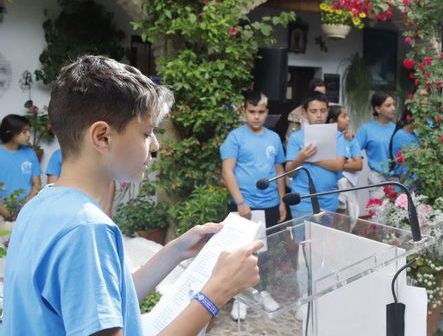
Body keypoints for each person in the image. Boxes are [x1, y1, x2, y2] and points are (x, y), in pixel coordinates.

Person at [1, 55, 262, 335]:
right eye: (147, 133)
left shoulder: (41, 205)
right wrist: (216, 293)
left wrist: (176, 250)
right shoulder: (86, 229)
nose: (155, 146)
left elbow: (107, 303)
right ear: (102, 137)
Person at [219, 91, 286, 321]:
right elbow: (227, 170)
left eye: (261, 112)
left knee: (264, 253)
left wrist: (282, 200)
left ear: (267, 112)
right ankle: (240, 296)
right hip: (244, 205)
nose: (256, 116)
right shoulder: (235, 137)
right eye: (252, 111)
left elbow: (279, 170)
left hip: (269, 204)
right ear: (244, 111)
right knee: (242, 250)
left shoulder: (274, 138)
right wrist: (240, 202)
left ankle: (262, 291)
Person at [285, 93, 348, 215]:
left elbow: (339, 165)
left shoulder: (337, 136)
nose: (319, 115)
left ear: (328, 111)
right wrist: (301, 157)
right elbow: (290, 172)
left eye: (323, 111)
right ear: (304, 112)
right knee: (302, 234)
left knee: (326, 234)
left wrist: (311, 158)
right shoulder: (296, 138)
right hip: (303, 200)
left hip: (329, 198)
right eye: (313, 111)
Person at [43, 147, 116, 215]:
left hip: (93, 209)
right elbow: (52, 188)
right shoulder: (58, 155)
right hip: (66, 210)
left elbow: (110, 181)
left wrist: (107, 211)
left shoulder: (97, 154)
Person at [0, 114, 41, 218]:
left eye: (29, 131)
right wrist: (5, 213)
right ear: (10, 132)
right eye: (24, 131)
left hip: (27, 209)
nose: (28, 135)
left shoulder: (30, 153)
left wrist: (27, 208)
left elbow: (37, 184)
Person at [355, 92, 398, 179]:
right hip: (377, 178)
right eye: (388, 105)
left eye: (393, 105)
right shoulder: (366, 129)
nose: (393, 108)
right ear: (378, 109)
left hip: (397, 179)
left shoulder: (398, 129)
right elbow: (353, 150)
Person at [389, 108, 420, 185]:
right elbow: (405, 162)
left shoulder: (416, 134)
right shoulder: (400, 135)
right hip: (405, 181)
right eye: (420, 117)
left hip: (416, 181)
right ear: (409, 117)